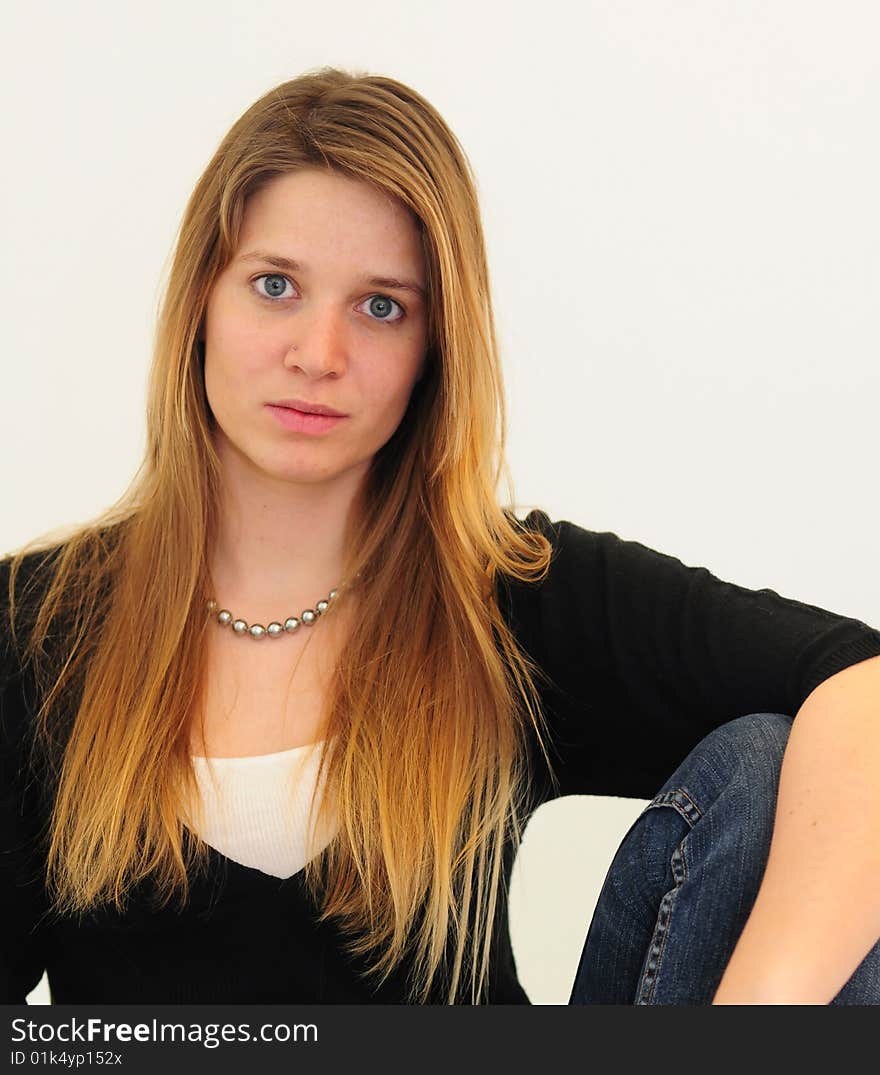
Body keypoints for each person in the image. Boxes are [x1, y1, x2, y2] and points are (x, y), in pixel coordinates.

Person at [3, 66, 880, 1007]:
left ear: (434, 350)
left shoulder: (502, 593)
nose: (319, 354)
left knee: (768, 770)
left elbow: (860, 679)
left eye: (381, 306)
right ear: (200, 308)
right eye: (274, 286)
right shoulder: (31, 627)